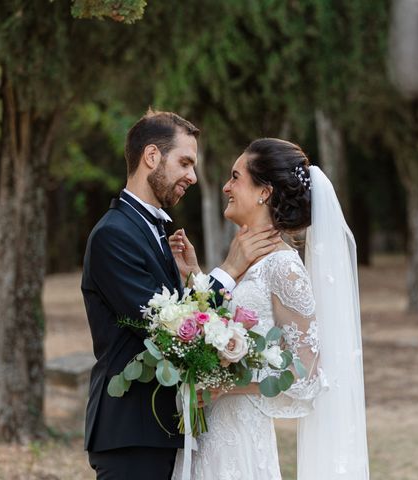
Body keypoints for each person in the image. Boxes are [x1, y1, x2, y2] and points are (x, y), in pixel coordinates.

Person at [81, 109, 280, 480]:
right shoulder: (114, 235)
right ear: (152, 157)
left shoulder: (151, 231)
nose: (192, 176)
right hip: (131, 433)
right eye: (185, 162)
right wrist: (230, 269)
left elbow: (180, 316)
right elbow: (167, 333)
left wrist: (196, 279)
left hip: (162, 431)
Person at [171, 138, 370, 480]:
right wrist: (196, 279)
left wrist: (227, 384)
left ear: (264, 191)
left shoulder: (284, 268)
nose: (226, 187)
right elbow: (229, 327)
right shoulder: (247, 260)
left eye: (235, 177)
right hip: (207, 432)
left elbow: (307, 375)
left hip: (240, 437)